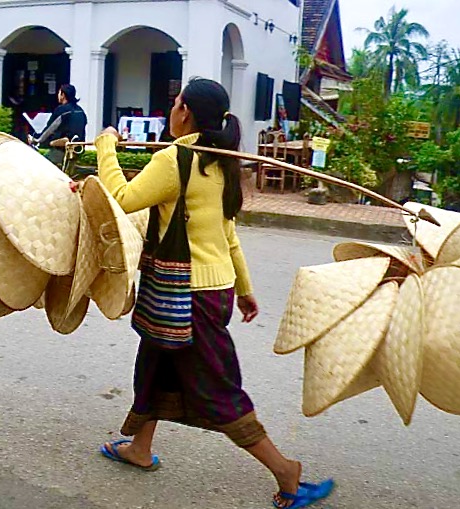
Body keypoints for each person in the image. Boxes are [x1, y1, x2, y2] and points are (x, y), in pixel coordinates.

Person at [93, 77, 333, 509]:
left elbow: (122, 197)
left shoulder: (175, 158)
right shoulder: (220, 161)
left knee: (217, 390)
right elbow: (228, 235)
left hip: (185, 295)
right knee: (156, 366)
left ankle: (286, 472)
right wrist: (243, 288)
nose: (172, 110)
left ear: (185, 113)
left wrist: (105, 147)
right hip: (210, 289)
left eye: (176, 103)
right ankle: (140, 449)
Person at [38, 84, 87, 166]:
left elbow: (49, 129)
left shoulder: (61, 110)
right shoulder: (80, 110)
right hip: (78, 149)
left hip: (62, 149)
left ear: (63, 95)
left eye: (59, 93)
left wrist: (37, 139)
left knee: (41, 164)